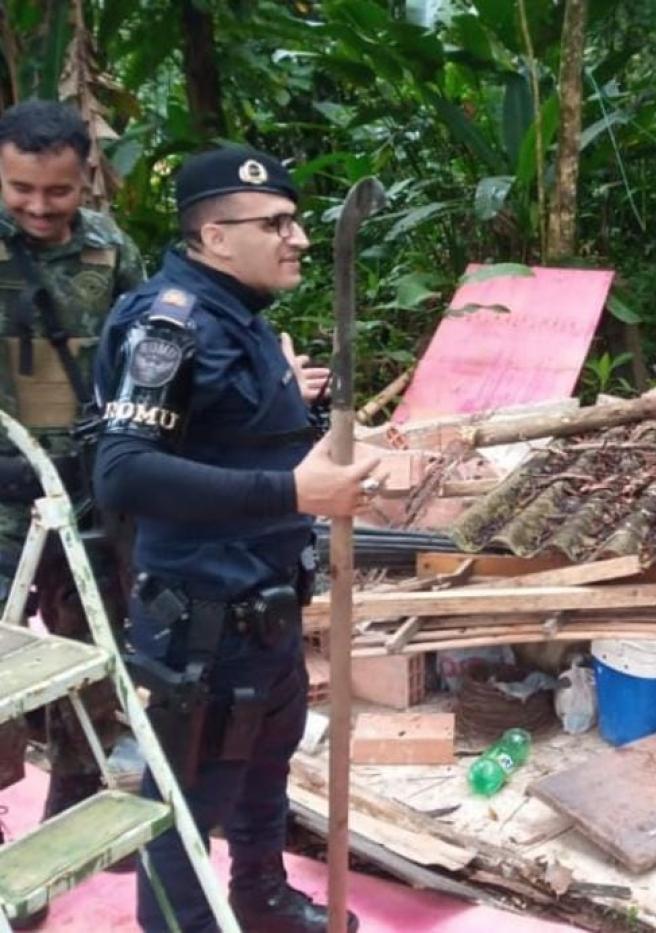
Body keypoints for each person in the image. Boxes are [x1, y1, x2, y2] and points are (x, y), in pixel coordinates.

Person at [92, 146, 379, 932]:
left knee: (263, 773)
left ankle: (262, 900)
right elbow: (121, 473)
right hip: (202, 623)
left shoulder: (239, 317)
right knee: (187, 809)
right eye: (277, 223)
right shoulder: (171, 325)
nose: (300, 239)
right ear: (216, 237)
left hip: (265, 607)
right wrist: (295, 490)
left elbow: (232, 433)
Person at [0, 98, 145, 909]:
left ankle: (79, 794)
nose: (40, 207)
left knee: (94, 645)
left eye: (57, 191)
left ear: (85, 175)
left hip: (86, 496)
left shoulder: (110, 249)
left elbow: (146, 350)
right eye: (22, 188)